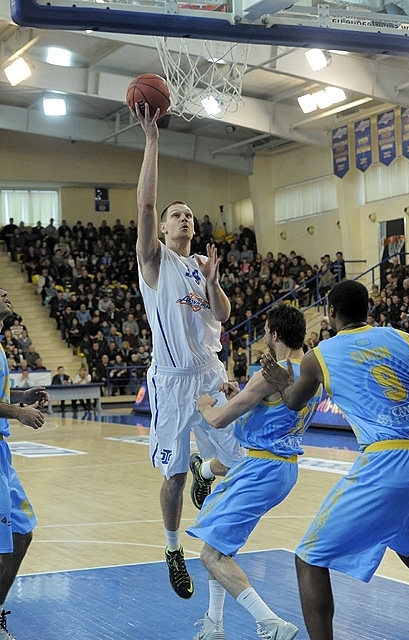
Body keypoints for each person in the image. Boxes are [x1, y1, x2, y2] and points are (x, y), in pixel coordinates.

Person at [260, 279, 409, 640]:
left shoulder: (319, 356)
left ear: (330, 312)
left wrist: (280, 381)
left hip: (387, 461)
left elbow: (294, 401)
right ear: (368, 308)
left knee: (308, 558)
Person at [132, 102, 243, 600]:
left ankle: (208, 468)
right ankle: (173, 548)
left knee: (239, 461)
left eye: (190, 216)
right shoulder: (155, 263)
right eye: (176, 214)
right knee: (174, 477)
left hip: (210, 375)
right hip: (173, 381)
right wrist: (153, 140)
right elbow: (145, 204)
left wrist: (215, 282)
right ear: (162, 228)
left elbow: (222, 315)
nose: (184, 218)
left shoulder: (202, 265)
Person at [187, 303, 321, 640]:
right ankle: (214, 624)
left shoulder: (270, 374)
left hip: (261, 467)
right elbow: (278, 408)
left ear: (274, 334)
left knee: (211, 555)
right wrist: (244, 396)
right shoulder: (311, 375)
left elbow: (219, 419)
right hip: (282, 468)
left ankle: (270, 622)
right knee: (218, 543)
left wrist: (204, 406)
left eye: (265, 333)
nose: (264, 338)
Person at [0, 286, 48, 639]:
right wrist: (17, 412)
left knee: (21, 534)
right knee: (3, 546)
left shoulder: (0, 346)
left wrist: (20, 397)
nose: (5, 292)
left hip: (3, 457)